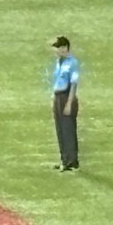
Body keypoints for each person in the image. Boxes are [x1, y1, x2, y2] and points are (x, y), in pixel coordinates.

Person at [50, 35, 80, 171]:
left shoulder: (72, 63)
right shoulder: (59, 62)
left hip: (67, 96)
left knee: (68, 129)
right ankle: (64, 159)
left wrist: (69, 103)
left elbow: (73, 83)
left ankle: (72, 161)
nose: (59, 50)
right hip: (58, 96)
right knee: (60, 129)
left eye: (61, 47)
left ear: (66, 48)